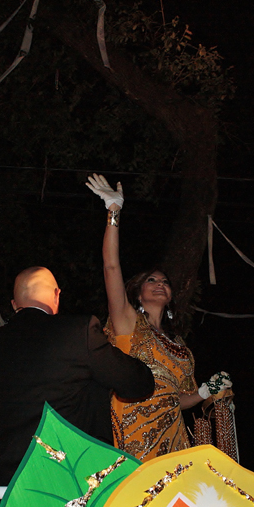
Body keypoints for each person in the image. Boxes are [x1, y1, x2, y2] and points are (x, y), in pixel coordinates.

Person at [0, 266, 155, 507]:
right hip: (66, 501)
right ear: (56, 295)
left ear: (14, 304)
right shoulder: (79, 333)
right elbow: (138, 383)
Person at [86, 174, 231, 462]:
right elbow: (111, 267)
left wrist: (207, 390)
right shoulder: (128, 323)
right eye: (151, 280)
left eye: (164, 281)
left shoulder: (180, 348)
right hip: (133, 433)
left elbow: (180, 399)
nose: (159, 283)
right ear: (138, 294)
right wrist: (113, 212)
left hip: (174, 439)